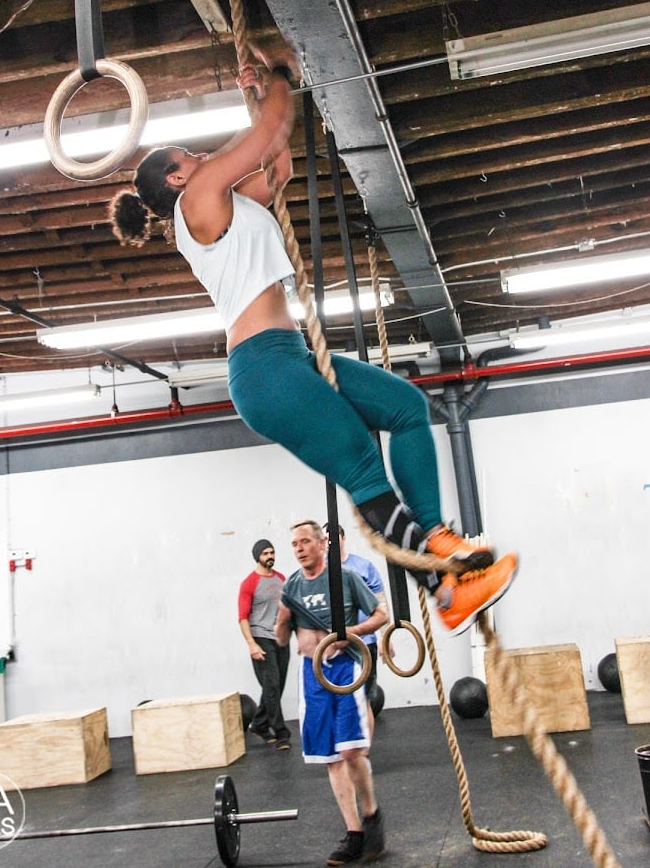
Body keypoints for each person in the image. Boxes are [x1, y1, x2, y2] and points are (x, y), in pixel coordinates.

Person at [108, 45, 518, 635]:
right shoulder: (195, 203)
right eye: (189, 156)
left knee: (405, 407)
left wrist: (258, 93)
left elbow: (276, 163)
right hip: (265, 372)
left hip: (291, 357)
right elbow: (270, 128)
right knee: (360, 460)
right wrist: (278, 73)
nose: (200, 157)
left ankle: (436, 535)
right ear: (177, 178)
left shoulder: (223, 206)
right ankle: (445, 588)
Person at [275, 520, 387, 865]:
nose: (299, 549)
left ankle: (371, 814)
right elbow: (281, 639)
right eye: (294, 544)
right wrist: (281, 626)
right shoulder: (291, 587)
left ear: (322, 543)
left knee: (352, 752)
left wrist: (349, 631)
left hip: (345, 670)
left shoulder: (345, 578)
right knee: (331, 758)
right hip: (312, 676)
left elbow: (381, 615)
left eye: (305, 541)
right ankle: (353, 834)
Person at [324, 521, 387, 727]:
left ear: (343, 539)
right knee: (336, 698)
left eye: (333, 537)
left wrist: (387, 637)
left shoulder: (363, 567)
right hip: (333, 645)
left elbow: (381, 604)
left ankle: (364, 751)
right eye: (326, 539)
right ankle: (344, 749)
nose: (329, 543)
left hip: (364, 642)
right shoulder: (319, 570)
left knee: (365, 698)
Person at [237, 538, 291, 750]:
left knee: (276, 686)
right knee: (272, 685)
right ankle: (281, 733)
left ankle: (259, 723)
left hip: (280, 637)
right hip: (261, 637)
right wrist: (251, 644)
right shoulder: (249, 583)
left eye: (272, 552)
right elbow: (242, 617)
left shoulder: (281, 579)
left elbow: (288, 610)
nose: (270, 556)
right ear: (257, 556)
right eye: (266, 553)